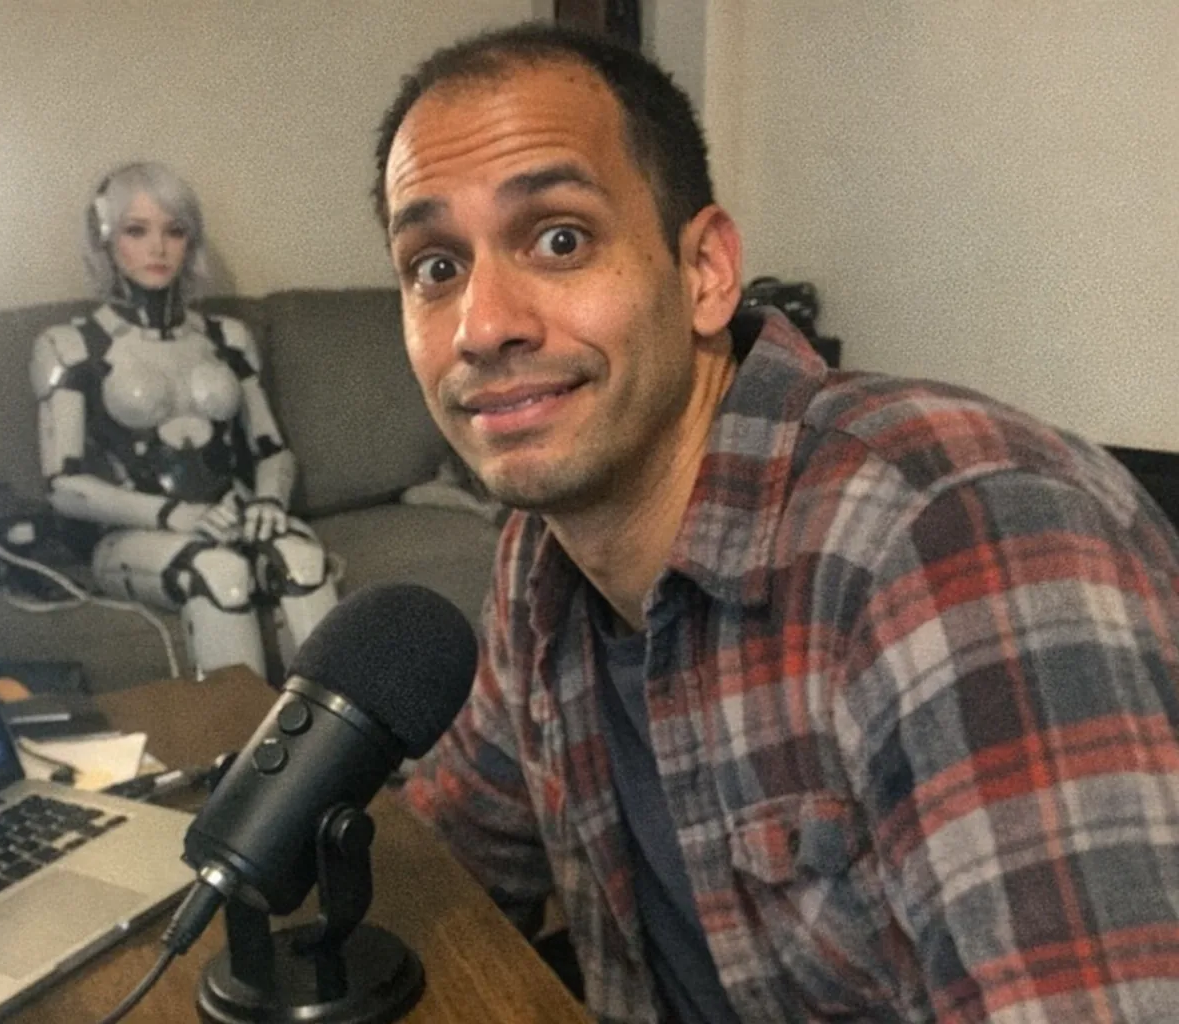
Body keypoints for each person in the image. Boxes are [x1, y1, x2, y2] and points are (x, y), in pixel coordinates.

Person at [376, 23, 1179, 1024]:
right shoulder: (538, 564)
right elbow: (447, 865)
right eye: (434, 267)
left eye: (560, 239)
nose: (481, 325)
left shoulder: (950, 537)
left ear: (707, 271)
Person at [31, 162, 337, 679]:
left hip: (233, 514)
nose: (158, 248)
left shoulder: (227, 337)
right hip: (132, 533)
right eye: (136, 230)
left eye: (174, 231)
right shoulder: (70, 346)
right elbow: (64, 485)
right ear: (104, 240)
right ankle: (238, 751)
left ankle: (345, 742)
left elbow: (271, 449)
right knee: (220, 575)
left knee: (304, 562)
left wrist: (267, 502)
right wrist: (174, 515)